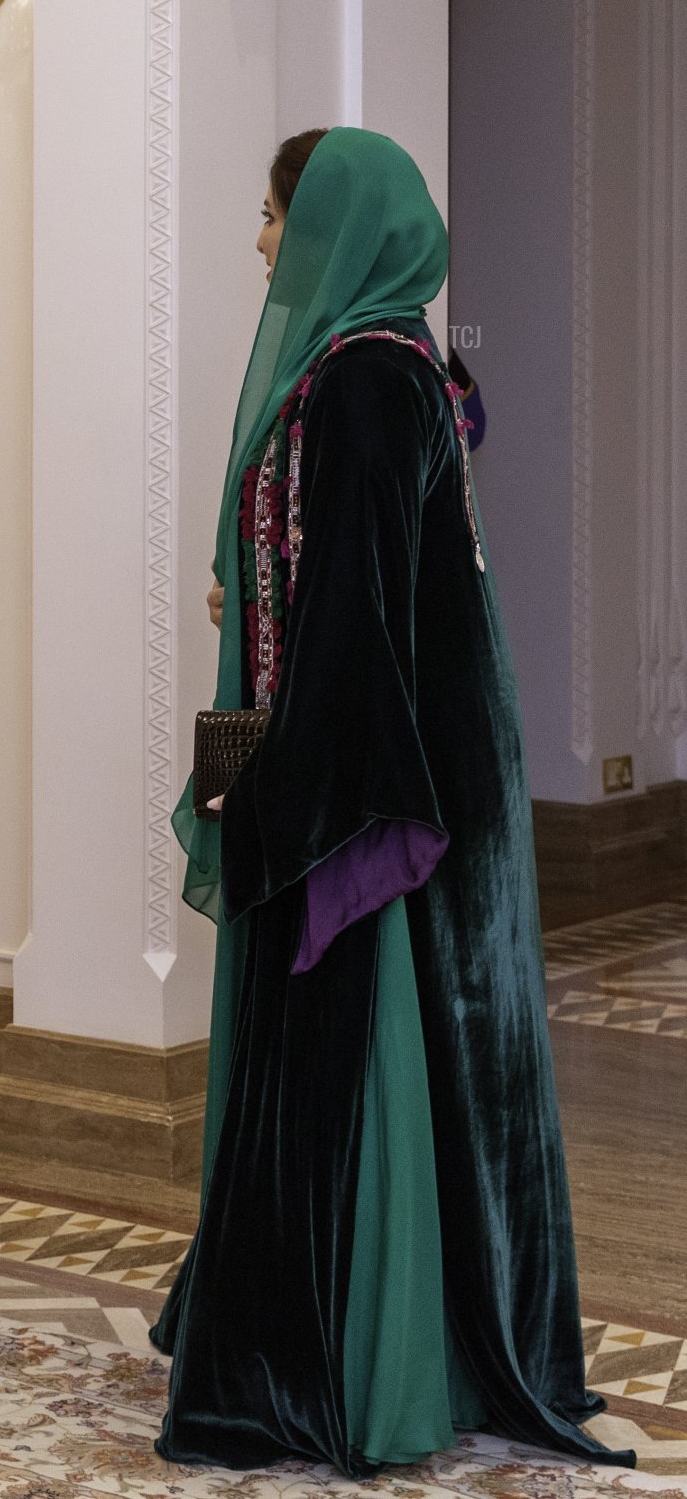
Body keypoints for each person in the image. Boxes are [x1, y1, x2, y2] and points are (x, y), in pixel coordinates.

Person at [151, 127, 633, 1475]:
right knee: (423, 1051)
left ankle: (345, 1366)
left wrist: (293, 810)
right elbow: (328, 579)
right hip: (404, 745)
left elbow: (350, 623)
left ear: (338, 231)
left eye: (273, 219)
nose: (261, 245)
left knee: (363, 1040)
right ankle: (395, 1340)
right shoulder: (399, 368)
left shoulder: (363, 383)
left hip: (368, 767)